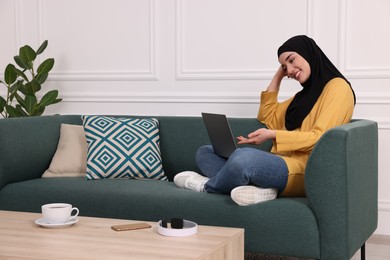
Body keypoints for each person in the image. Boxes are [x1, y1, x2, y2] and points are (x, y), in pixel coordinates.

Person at [174, 35, 356, 206]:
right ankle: (262, 190)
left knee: (242, 158)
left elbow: (319, 138)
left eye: (292, 60)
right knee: (205, 152)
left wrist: (273, 135)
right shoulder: (302, 97)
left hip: (304, 170)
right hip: (279, 164)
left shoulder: (338, 88)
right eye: (285, 67)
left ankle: (207, 186)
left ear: (309, 53)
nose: (290, 71)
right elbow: (267, 115)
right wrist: (279, 75)